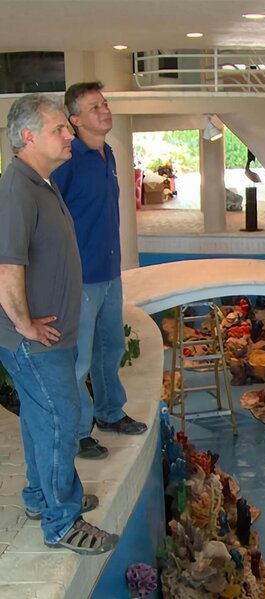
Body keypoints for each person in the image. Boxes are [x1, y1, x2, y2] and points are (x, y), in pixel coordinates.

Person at [0, 94, 119, 554]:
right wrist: (25, 325)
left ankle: (41, 495)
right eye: (59, 129)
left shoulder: (41, 182)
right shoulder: (18, 188)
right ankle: (62, 521)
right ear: (29, 136)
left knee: (39, 419)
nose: (69, 134)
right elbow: (7, 268)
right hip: (34, 342)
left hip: (48, 336)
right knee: (60, 419)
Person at [52, 81, 147, 461]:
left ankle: (110, 413)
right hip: (79, 278)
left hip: (109, 272)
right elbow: (47, 216)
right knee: (78, 362)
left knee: (110, 350)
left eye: (104, 104)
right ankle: (77, 433)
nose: (105, 111)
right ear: (74, 120)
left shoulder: (107, 152)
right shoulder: (66, 161)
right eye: (94, 107)